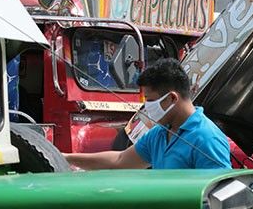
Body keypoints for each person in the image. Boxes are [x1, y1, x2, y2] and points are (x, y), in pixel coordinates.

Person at [64, 58, 231, 170]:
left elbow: (218, 198)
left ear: (171, 98)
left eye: (150, 100)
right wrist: (66, 158)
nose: (146, 106)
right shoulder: (160, 133)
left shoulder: (207, 139)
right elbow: (120, 159)